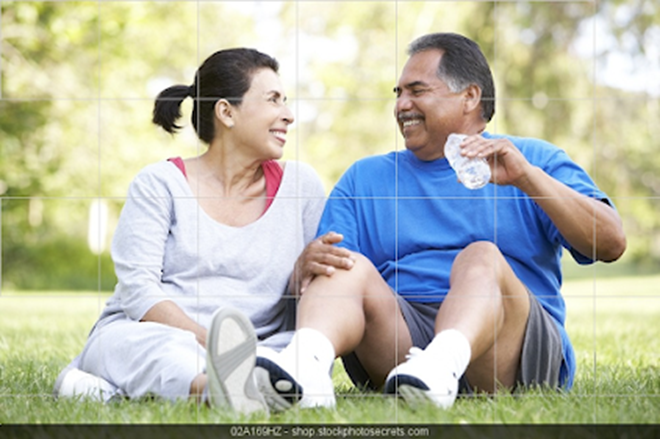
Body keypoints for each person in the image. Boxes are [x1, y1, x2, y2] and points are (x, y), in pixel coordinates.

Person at [254, 32, 626, 410]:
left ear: (469, 96)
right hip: (404, 349)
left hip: (507, 347)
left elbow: (610, 243)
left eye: (417, 90)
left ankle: (443, 363)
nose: (402, 105)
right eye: (397, 93)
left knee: (481, 256)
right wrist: (309, 265)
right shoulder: (364, 178)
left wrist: (527, 178)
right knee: (342, 263)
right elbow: (332, 285)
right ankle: (304, 372)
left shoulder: (532, 159)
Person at [53, 48, 354, 415]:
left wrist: (303, 271)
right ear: (226, 112)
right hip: (163, 335)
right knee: (135, 345)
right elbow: (139, 294)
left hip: (264, 345)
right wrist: (219, 347)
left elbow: (306, 295)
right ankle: (218, 390)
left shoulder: (301, 185)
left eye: (285, 101)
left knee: (295, 349)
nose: (288, 115)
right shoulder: (159, 184)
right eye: (273, 100)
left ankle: (105, 389)